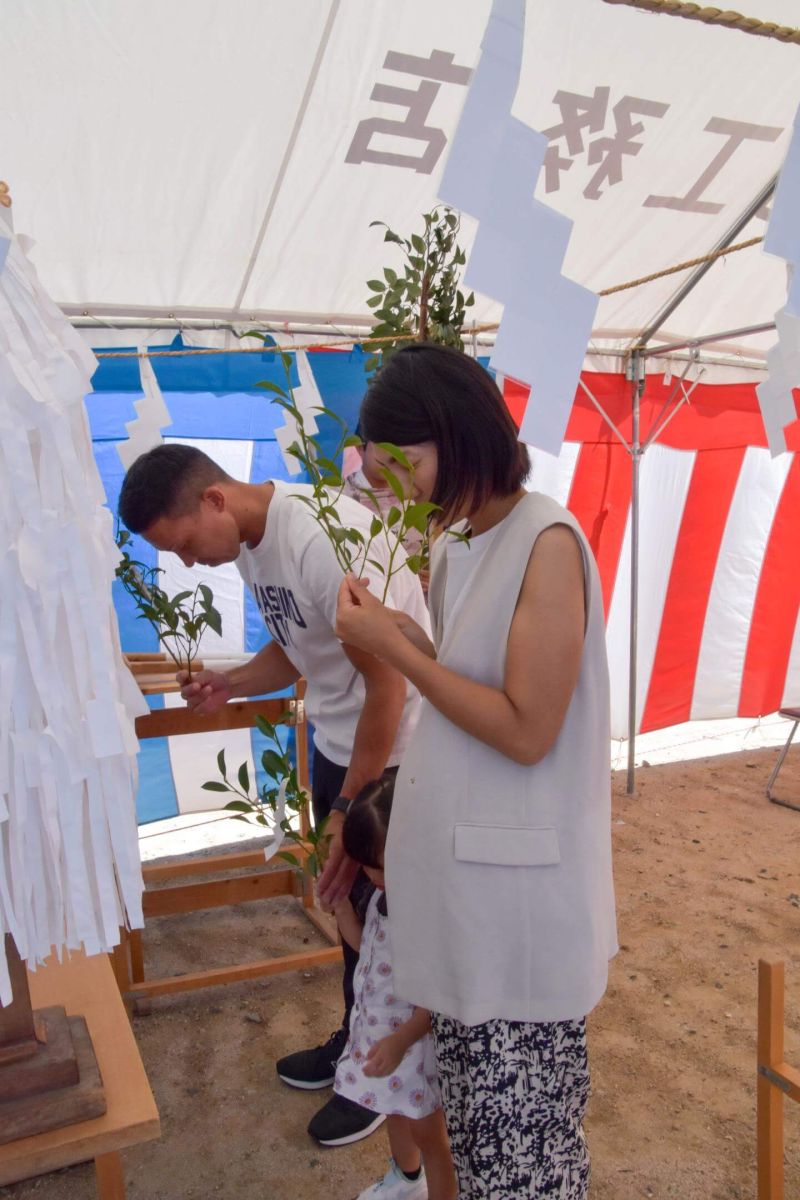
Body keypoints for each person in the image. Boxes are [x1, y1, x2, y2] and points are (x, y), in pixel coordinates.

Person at [329, 344, 618, 1199]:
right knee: (485, 1143)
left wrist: (396, 654)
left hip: (520, 911)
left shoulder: (547, 539)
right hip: (470, 901)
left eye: (410, 462)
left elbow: (528, 728)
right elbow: (469, 682)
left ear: (460, 436)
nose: (406, 486)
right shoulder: (461, 549)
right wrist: (402, 635)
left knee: (523, 1152)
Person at [117, 444, 430, 1148]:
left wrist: (351, 810)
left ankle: (385, 1071)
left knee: (387, 921)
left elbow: (389, 688)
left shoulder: (318, 539)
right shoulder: (254, 545)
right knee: (347, 908)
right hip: (338, 746)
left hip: (394, 759)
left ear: (215, 500)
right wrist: (233, 681)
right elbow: (296, 647)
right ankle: (357, 1042)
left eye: (188, 546)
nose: (193, 563)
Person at [332, 775, 456, 1200]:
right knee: (394, 1112)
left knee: (430, 1136)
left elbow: (436, 999)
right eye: (365, 865)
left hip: (412, 1048)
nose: (372, 875)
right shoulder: (383, 896)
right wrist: (342, 908)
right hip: (384, 1040)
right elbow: (367, 944)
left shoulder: (427, 912)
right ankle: (406, 1180)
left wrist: (402, 1041)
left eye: (380, 865)